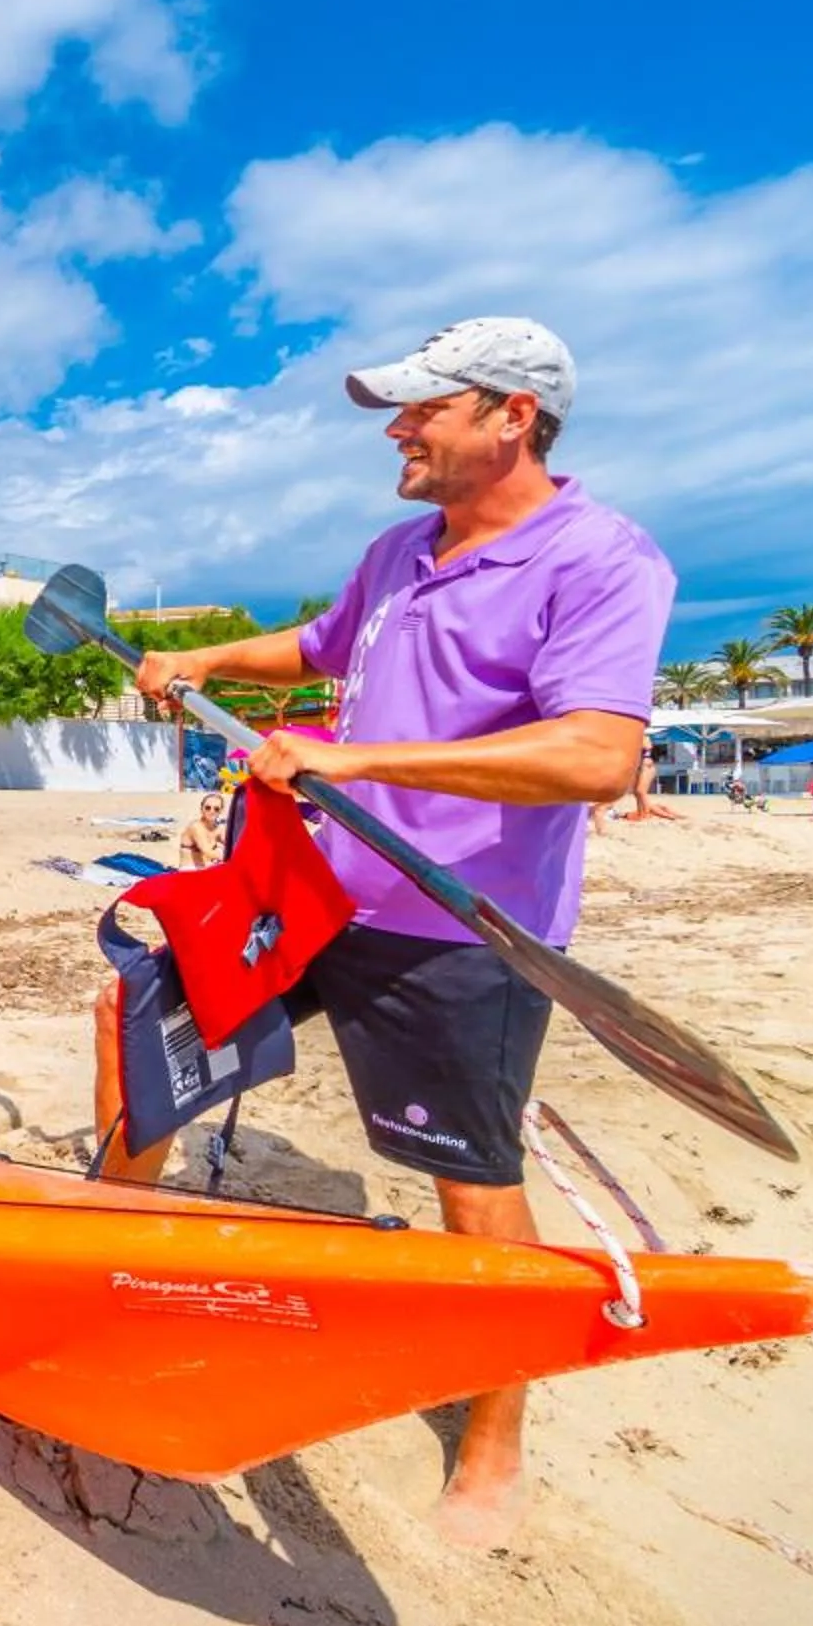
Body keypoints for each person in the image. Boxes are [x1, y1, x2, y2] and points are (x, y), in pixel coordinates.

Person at [127, 317, 667, 1550]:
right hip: (313, 891)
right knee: (150, 1031)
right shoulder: (397, 550)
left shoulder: (600, 558)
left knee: (471, 1180)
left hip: (460, 925)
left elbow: (598, 753)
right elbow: (314, 649)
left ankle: (495, 1436)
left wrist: (359, 757)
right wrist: (209, 653)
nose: (398, 430)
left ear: (512, 416)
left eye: (425, 407)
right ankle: (110, 1266)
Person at [178, 788, 232, 870]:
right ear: (201, 809)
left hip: (207, 868)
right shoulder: (196, 827)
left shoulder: (218, 828)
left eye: (216, 809)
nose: (212, 811)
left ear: (221, 811)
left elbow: (233, 844)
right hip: (190, 870)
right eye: (207, 808)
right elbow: (208, 852)